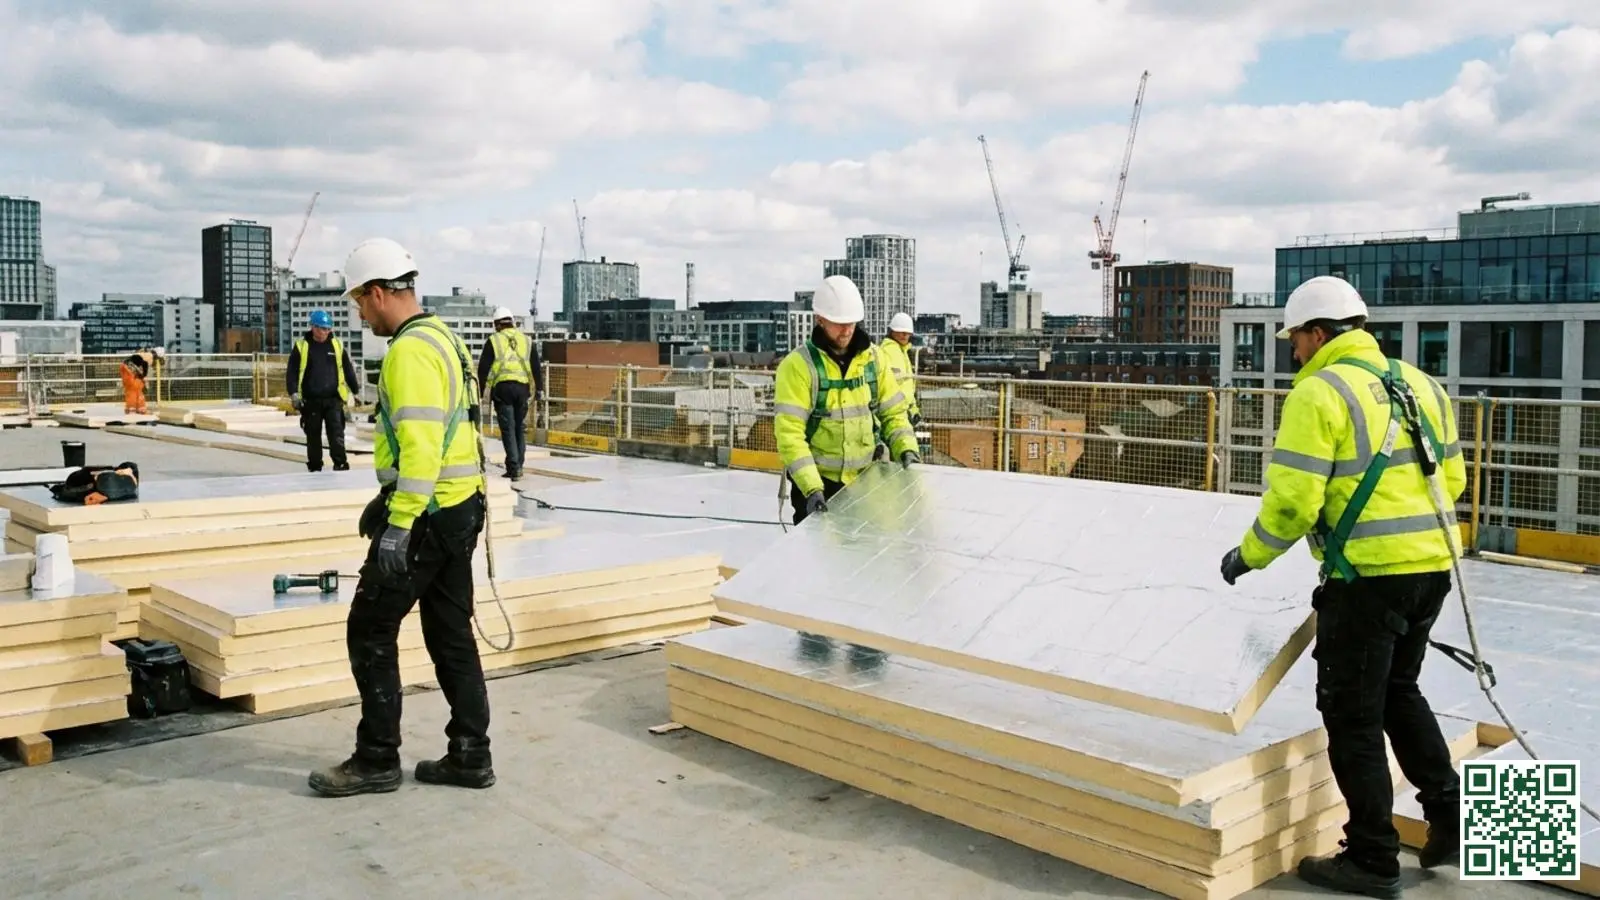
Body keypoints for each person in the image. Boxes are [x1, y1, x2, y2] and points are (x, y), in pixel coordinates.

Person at [1217, 276, 1466, 898]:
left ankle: (1373, 859)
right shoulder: (1421, 384)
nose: (1293, 351)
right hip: (1433, 568)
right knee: (1399, 691)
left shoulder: (1319, 391)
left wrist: (1248, 556)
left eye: (1296, 339)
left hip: (1367, 580)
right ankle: (1451, 818)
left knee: (1352, 716)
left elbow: (1293, 504)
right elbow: (1454, 480)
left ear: (1319, 333)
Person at [309, 237, 494, 798]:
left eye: (358, 303)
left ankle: (376, 759)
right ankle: (470, 756)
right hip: (460, 507)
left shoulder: (408, 352)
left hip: (428, 514)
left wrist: (400, 519)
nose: (359, 316)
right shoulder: (444, 337)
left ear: (377, 292)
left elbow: (421, 446)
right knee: (451, 633)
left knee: (369, 629)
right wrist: (388, 495)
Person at [774, 275, 920, 526]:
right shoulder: (798, 367)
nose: (846, 330)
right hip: (820, 485)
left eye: (850, 322)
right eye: (838, 323)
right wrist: (811, 489)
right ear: (820, 319)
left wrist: (906, 449)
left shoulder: (874, 359)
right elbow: (790, 435)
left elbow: (894, 414)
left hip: (867, 482)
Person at [286, 309, 360, 472]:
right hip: (311, 400)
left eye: (328, 329)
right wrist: (294, 394)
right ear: (313, 327)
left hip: (333, 399)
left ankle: (340, 464)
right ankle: (315, 466)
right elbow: (292, 372)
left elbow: (347, 369)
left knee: (336, 434)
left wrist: (355, 390)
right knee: (313, 435)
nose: (325, 332)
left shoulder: (336, 345)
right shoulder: (302, 347)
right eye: (322, 328)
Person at [475, 306, 543, 480]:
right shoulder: (526, 340)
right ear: (512, 322)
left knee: (508, 429)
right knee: (519, 427)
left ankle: (514, 468)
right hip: (522, 389)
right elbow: (536, 366)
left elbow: (483, 369)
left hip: (503, 390)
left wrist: (480, 393)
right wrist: (540, 389)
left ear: (498, 324)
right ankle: (518, 464)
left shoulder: (494, 340)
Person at [120, 347, 163, 414]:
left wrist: (143, 380)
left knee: (134, 389)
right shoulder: (150, 357)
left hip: (125, 367)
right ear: (157, 355)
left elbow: (140, 370)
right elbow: (144, 372)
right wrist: (145, 383)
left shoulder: (145, 354)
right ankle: (133, 409)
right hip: (129, 370)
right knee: (133, 389)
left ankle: (134, 408)